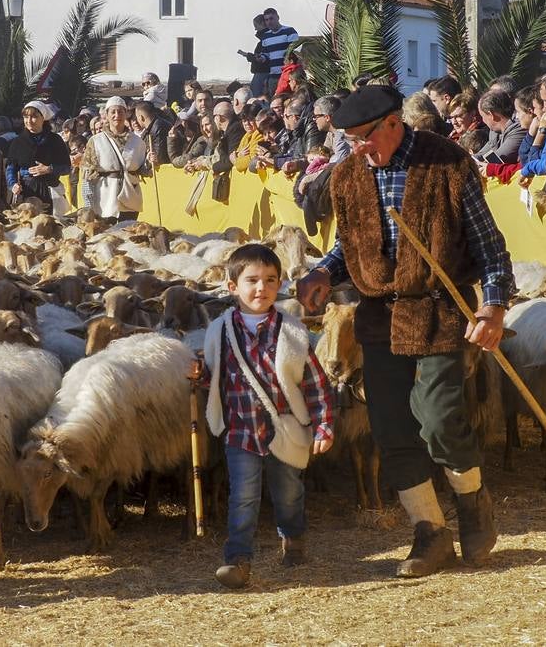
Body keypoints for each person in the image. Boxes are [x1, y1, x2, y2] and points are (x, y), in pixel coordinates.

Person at [296, 85, 513, 578]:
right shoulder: (349, 176)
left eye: (363, 139)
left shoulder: (448, 164)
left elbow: (490, 248)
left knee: (438, 420)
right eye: (349, 140)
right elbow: (347, 247)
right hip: (379, 317)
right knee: (392, 430)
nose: (356, 149)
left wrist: (495, 306)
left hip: (438, 310)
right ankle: (429, 532)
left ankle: (473, 504)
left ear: (393, 123)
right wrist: (323, 274)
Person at [202, 243, 335, 589]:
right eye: (252, 280)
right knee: (243, 495)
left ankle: (293, 537)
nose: (261, 288)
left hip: (286, 430)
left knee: (288, 491)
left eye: (270, 280)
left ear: (280, 285)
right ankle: (238, 559)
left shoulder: (292, 331)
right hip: (241, 432)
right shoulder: (220, 330)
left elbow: (315, 382)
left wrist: (323, 424)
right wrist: (197, 374)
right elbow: (215, 376)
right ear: (233, 287)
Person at [81, 96, 151, 222]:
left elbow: (142, 170)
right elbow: (88, 176)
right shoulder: (95, 141)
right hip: (105, 199)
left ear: (126, 114)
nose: (116, 115)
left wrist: (150, 163)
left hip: (130, 197)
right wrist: (88, 205)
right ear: (106, 115)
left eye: (120, 111)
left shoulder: (138, 142)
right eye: (113, 112)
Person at [6, 100, 73, 210]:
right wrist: (13, 184)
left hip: (50, 188)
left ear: (43, 118)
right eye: (26, 117)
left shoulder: (55, 140)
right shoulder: (18, 142)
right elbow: (11, 168)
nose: (29, 121)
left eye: (34, 117)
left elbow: (66, 167)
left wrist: (49, 169)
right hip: (26, 190)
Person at [254, 8, 299, 97]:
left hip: (288, 75)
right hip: (273, 76)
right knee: (274, 103)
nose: (269, 22)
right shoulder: (266, 36)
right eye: (266, 20)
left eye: (271, 18)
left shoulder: (289, 31)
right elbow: (266, 55)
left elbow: (296, 52)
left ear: (278, 18)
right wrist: (261, 58)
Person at [473, 89, 524, 164]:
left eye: (483, 116)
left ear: (491, 115)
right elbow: (481, 154)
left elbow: (497, 160)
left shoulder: (519, 129)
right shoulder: (494, 132)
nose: (483, 120)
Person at [134, 99, 171, 167]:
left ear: (141, 117)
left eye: (137, 117)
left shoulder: (158, 128)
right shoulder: (154, 126)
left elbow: (159, 156)